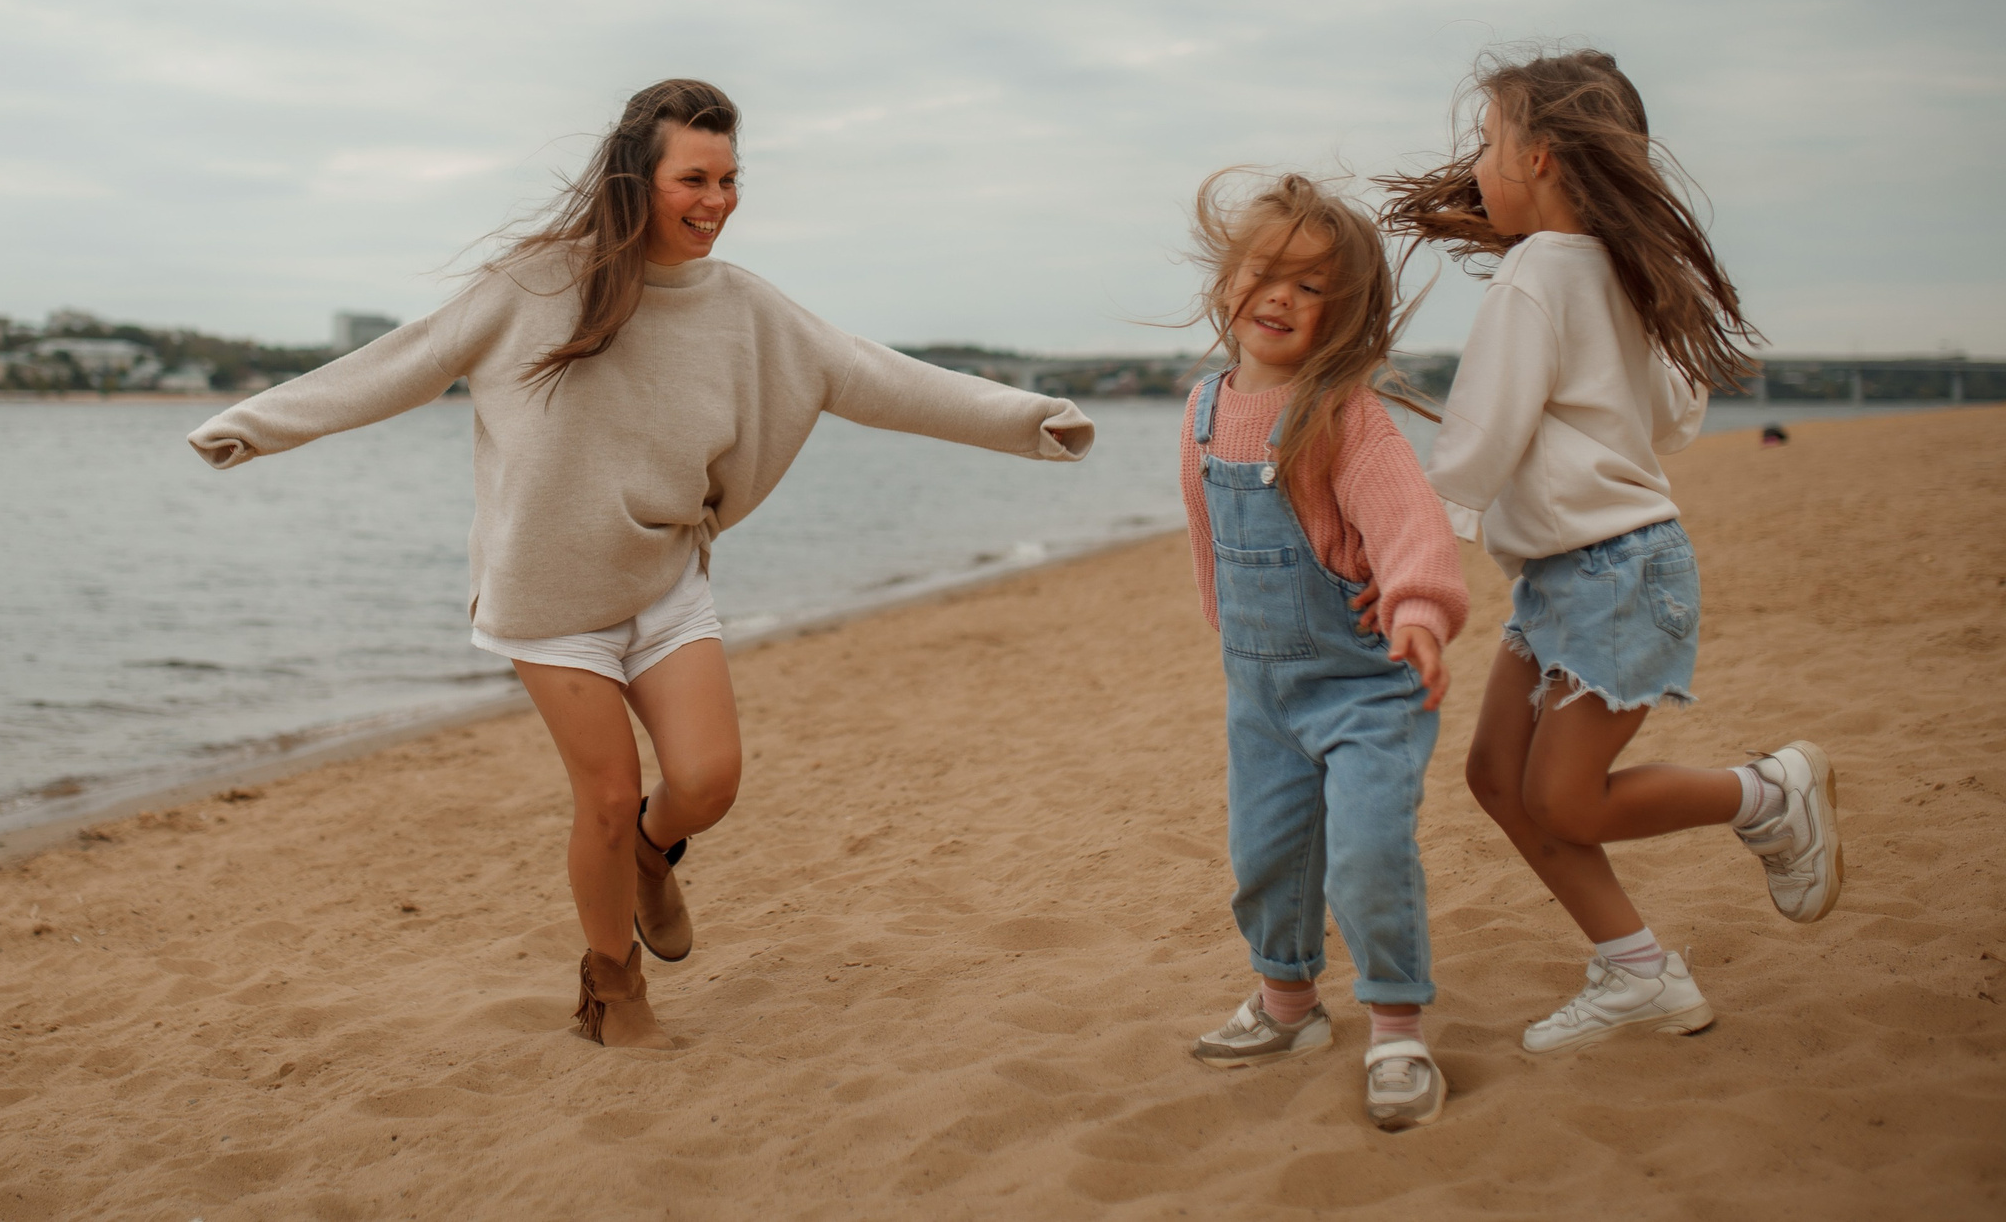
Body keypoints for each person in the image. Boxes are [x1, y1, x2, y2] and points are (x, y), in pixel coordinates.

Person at [187, 79, 1094, 1050]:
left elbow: (877, 376)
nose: (717, 200)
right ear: (638, 177)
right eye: (693, 178)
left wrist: (1028, 420)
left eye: (729, 179)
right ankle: (612, 986)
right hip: (546, 601)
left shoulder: (744, 309)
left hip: (661, 582)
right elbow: (402, 361)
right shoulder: (534, 286)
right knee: (610, 798)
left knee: (705, 783)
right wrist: (250, 426)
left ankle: (658, 861)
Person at [1378, 48, 1842, 1058]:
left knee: (1560, 797)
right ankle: (1636, 970)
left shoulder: (1541, 272)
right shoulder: (1623, 271)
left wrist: (1418, 548)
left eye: (1487, 143)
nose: (1474, 164)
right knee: (1497, 777)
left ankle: (1766, 793)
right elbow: (1673, 421)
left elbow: (1479, 433)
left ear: (1540, 157)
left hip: (1609, 576)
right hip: (1578, 575)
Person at [1175, 171, 1468, 1132]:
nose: (1280, 296)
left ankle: (1396, 1027)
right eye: (1265, 272)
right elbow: (1204, 529)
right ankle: (1288, 1006)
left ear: (1341, 315)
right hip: (1257, 690)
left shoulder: (1342, 412)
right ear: (1228, 281)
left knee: (1368, 853)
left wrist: (1420, 606)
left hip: (1364, 683)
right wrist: (1228, 627)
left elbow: (1407, 519)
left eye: (1310, 286)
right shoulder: (1204, 409)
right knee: (1267, 855)